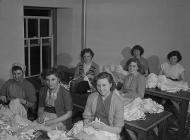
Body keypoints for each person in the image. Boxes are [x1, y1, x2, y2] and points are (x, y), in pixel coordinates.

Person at [75, 72, 124, 140]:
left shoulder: (118, 102)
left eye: (104, 85)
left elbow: (118, 129)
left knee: (90, 138)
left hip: (109, 130)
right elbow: (87, 116)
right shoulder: (91, 97)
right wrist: (87, 121)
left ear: (110, 85)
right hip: (94, 127)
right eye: (98, 85)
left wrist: (102, 127)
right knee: (78, 136)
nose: (101, 88)